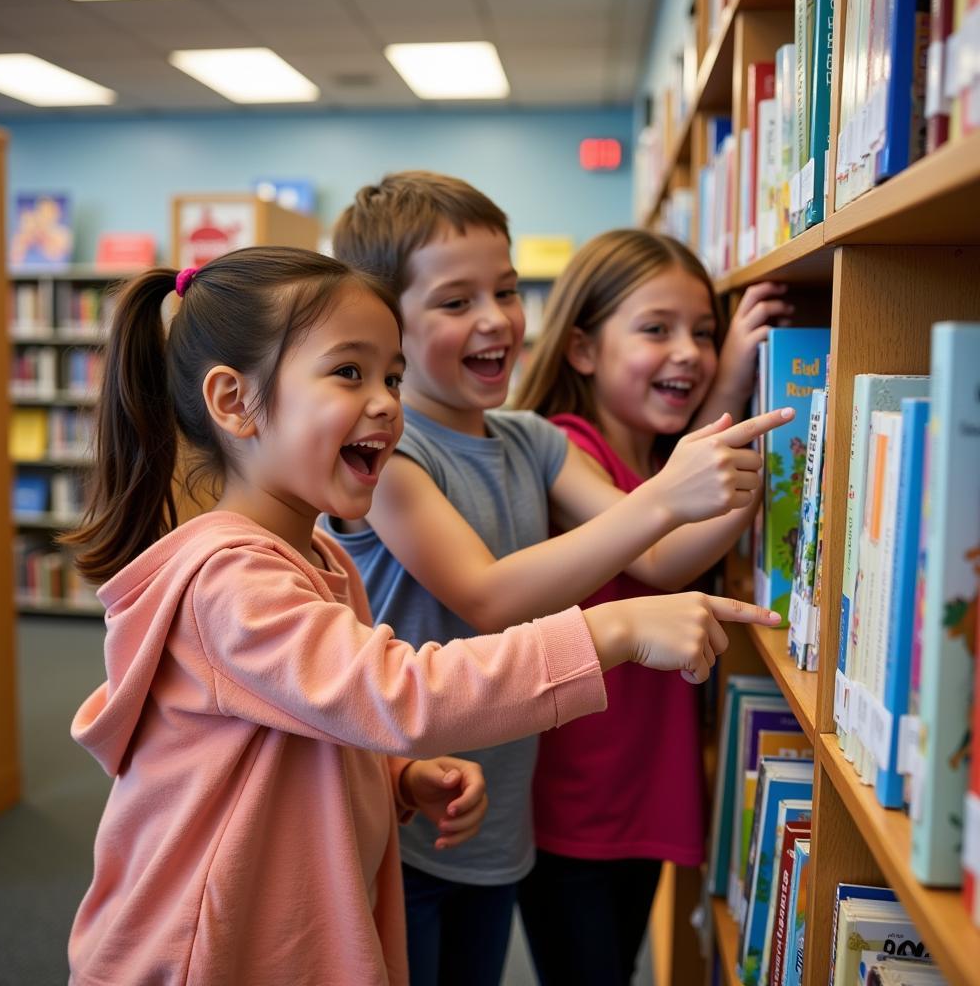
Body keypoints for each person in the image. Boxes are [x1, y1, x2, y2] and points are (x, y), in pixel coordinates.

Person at [61, 245, 780, 986]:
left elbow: (320, 712)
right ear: (234, 401)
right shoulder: (231, 577)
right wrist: (611, 631)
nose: (385, 402)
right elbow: (398, 692)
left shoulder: (316, 558)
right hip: (204, 956)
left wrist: (397, 777)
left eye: (391, 376)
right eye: (349, 372)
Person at [329, 172, 793, 985]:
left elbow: (652, 560)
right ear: (384, 325)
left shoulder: (532, 440)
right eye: (455, 302)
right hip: (401, 818)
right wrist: (663, 499)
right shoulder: (393, 461)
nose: (495, 320)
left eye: (505, 291)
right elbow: (490, 593)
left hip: (501, 822)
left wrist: (755, 482)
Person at [512, 228, 790, 985]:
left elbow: (675, 496)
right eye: (656, 329)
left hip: (642, 786)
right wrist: (774, 451)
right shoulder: (569, 448)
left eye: (703, 333)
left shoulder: (656, 462)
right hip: (579, 801)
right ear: (581, 350)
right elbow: (665, 555)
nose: (690, 353)